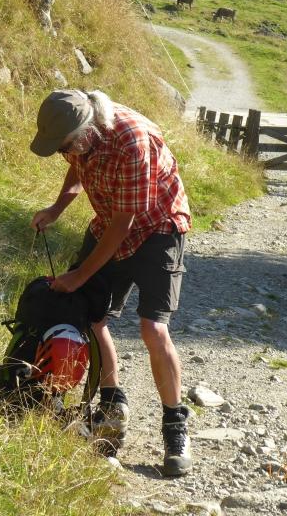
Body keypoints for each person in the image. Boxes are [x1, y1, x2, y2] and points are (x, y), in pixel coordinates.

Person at [30, 88, 193, 476]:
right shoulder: (77, 135)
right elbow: (77, 165)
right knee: (89, 316)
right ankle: (111, 403)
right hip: (109, 222)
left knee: (153, 327)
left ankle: (175, 426)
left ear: (86, 129)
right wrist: (57, 208)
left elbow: (125, 225)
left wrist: (78, 275)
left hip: (158, 227)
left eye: (65, 145)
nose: (63, 153)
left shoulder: (131, 140)